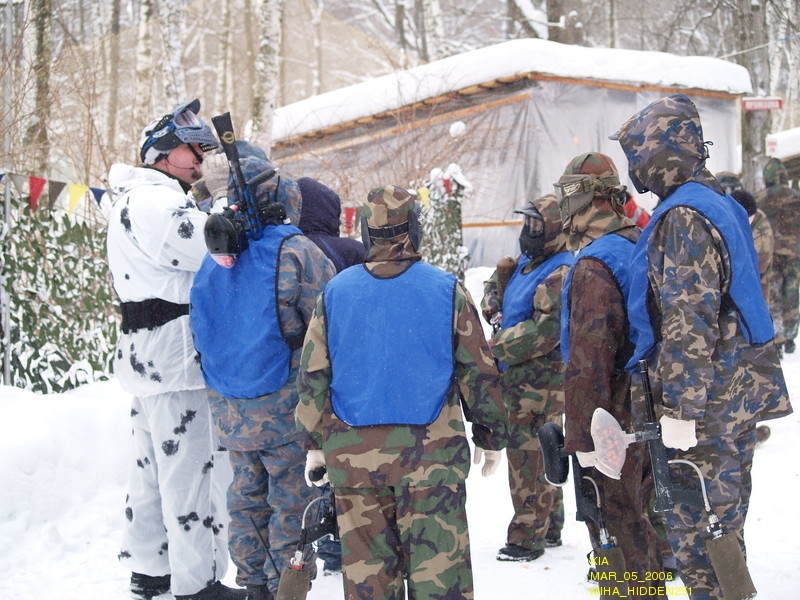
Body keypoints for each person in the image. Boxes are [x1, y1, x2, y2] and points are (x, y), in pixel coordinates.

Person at [612, 94, 792, 600]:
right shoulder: (720, 202)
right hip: (736, 390)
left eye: (639, 157)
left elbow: (688, 321)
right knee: (725, 525)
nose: (636, 171)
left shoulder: (684, 216)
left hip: (707, 403)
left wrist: (681, 410)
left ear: (659, 155)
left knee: (701, 539)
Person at [296, 185, 509, 600]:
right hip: (431, 459)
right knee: (440, 577)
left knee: (370, 581)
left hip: (356, 462)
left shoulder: (336, 293)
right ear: (415, 228)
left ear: (364, 232)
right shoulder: (446, 290)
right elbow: (479, 371)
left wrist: (313, 444)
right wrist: (490, 436)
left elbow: (312, 375)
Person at [107, 99, 245, 600]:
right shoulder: (156, 202)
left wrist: (204, 196)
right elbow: (217, 246)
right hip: (176, 356)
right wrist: (229, 200)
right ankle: (198, 582)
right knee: (193, 473)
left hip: (147, 354)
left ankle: (150, 568)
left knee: (148, 467)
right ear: (164, 152)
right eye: (193, 150)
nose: (200, 159)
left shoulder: (129, 199)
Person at [190, 148, 337, 600]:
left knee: (246, 498)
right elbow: (330, 324)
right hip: (284, 408)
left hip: (231, 409)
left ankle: (254, 583)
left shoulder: (216, 256)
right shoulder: (297, 251)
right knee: (291, 502)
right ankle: (284, 589)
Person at [555, 152, 666, 597]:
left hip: (613, 415)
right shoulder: (639, 240)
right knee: (642, 517)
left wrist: (581, 438)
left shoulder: (594, 264)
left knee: (615, 524)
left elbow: (590, 362)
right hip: (649, 401)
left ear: (585, 197)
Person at [480, 193, 572, 561]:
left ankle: (526, 537)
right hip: (520, 383)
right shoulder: (526, 264)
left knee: (529, 460)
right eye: (527, 223)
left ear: (554, 228)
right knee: (544, 453)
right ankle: (549, 526)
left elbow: (544, 332)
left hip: (542, 384)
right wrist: (494, 304)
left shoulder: (561, 270)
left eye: (537, 225)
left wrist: (497, 345)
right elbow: (493, 291)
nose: (529, 231)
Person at [296, 176, 367, 576]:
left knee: (313, 460)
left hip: (301, 368)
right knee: (346, 463)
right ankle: (345, 546)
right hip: (347, 368)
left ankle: (316, 547)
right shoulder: (351, 250)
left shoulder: (286, 250)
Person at [756, 157, 800, 354]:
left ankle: (778, 335)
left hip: (771, 253)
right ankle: (791, 336)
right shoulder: (796, 197)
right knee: (791, 293)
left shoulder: (760, 198)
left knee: (772, 294)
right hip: (794, 253)